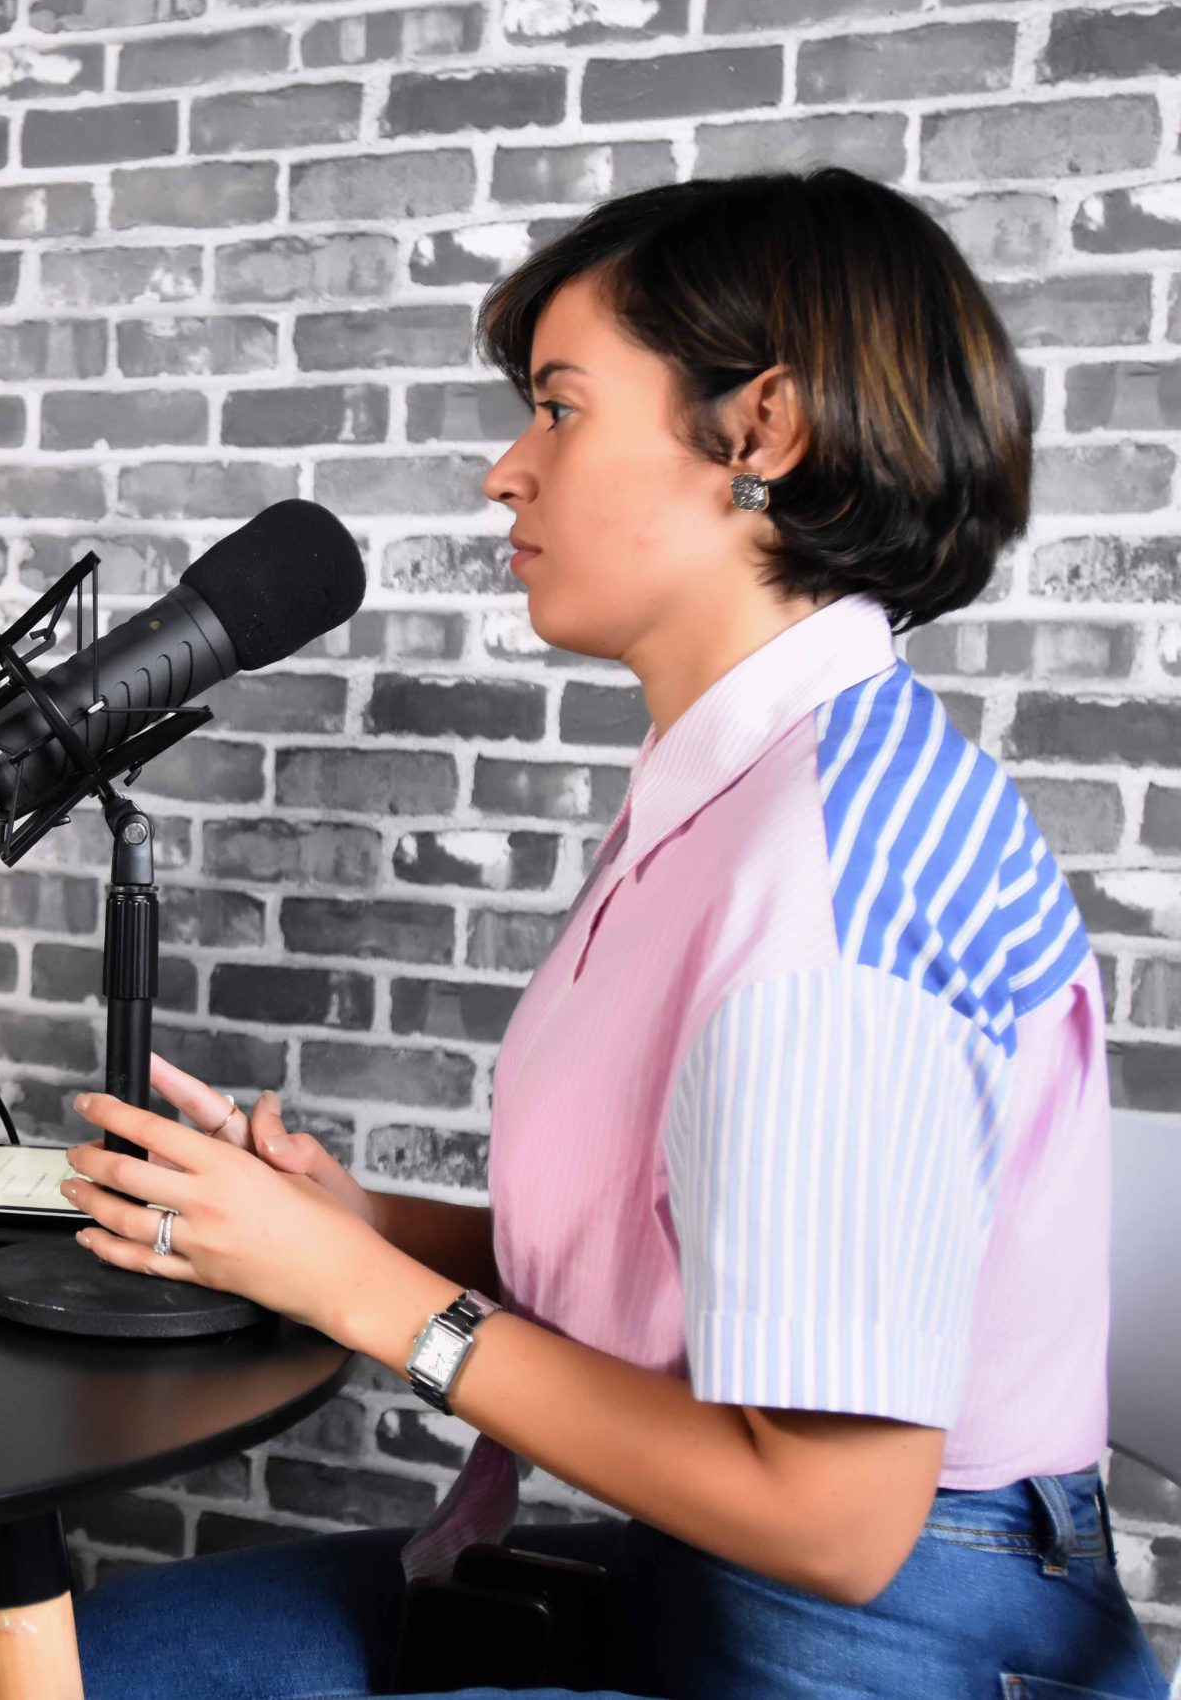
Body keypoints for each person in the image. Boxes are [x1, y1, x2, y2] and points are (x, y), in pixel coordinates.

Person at [66, 169, 1167, 1699]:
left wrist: (371, 1298)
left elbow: (835, 1517)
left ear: (760, 434)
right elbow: (693, 1261)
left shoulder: (831, 889)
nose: (504, 473)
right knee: (95, 1665)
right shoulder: (728, 787)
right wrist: (347, 1226)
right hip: (712, 1580)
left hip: (894, 1643)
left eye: (562, 409)